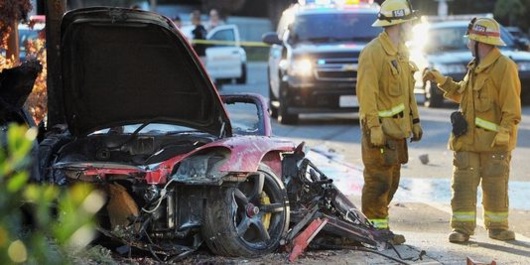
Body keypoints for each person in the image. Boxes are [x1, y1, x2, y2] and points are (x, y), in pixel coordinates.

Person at [423, 17, 521, 243]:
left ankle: (497, 227)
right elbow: (461, 95)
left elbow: (512, 108)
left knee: (495, 186)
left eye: (471, 40)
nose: (468, 43)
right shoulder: (474, 67)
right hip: (467, 141)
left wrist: (505, 132)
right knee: (462, 186)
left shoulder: (505, 68)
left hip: (494, 143)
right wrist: (441, 81)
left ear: (481, 42)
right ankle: (462, 229)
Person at [356, 0, 422, 245]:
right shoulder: (373, 53)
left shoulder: (401, 52)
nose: (411, 26)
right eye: (409, 22)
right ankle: (374, 232)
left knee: (392, 183)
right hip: (380, 134)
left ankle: (377, 229)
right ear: (398, 24)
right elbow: (367, 94)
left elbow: (408, 92)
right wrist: (373, 127)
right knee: (378, 183)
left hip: (397, 134)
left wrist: (414, 121)